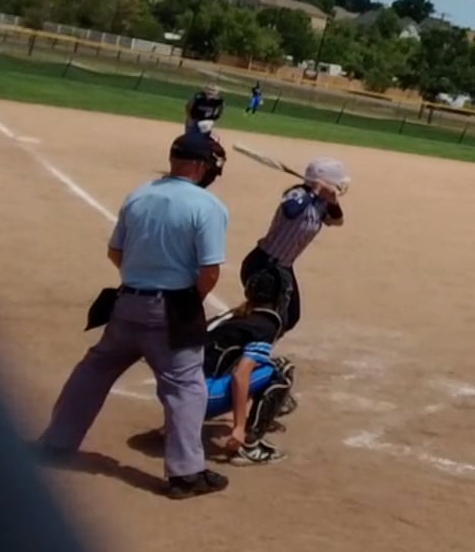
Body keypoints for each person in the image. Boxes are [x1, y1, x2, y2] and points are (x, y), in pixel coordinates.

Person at [34, 134, 232, 499]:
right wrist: (190, 302)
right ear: (201, 166)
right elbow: (209, 272)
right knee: (185, 387)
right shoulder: (208, 206)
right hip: (172, 309)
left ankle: (56, 443)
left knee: (94, 370)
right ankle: (186, 474)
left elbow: (115, 252)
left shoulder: (139, 195)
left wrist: (141, 278)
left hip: (126, 303)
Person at [240, 158, 348, 339]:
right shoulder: (297, 194)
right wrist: (314, 191)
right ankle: (237, 340)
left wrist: (333, 202)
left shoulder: (321, 204)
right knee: (269, 315)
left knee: (290, 316)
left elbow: (337, 221)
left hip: (283, 268)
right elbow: (290, 210)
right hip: (263, 264)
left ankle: (253, 344)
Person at [204, 269, 297, 465]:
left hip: (174, 394)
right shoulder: (264, 325)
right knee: (280, 371)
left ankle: (179, 421)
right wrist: (238, 426)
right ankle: (249, 446)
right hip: (199, 398)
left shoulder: (235, 315)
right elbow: (240, 375)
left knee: (245, 365)